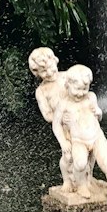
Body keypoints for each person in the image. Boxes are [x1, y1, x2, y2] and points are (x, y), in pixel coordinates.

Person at [59, 64, 107, 212]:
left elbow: (98, 116)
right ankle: (82, 185)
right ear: (67, 85)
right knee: (80, 163)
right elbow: (56, 125)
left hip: (97, 137)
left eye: (84, 89)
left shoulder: (91, 97)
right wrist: (64, 142)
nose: (80, 93)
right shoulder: (64, 104)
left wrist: (98, 112)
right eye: (77, 90)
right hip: (78, 140)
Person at [28, 46, 75, 192]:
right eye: (43, 71)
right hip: (63, 127)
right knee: (68, 155)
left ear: (55, 61)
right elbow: (47, 115)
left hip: (79, 121)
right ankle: (67, 180)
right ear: (37, 74)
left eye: (50, 67)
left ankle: (86, 180)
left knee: (87, 152)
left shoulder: (68, 76)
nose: (49, 73)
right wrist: (60, 117)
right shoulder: (41, 91)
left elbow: (83, 93)